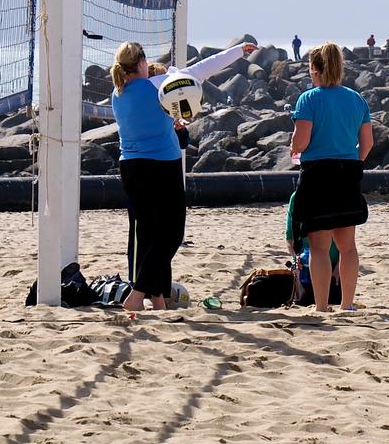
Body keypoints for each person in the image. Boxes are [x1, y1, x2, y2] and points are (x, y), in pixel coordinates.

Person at [111, 40, 255, 312]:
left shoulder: (116, 93)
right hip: (160, 167)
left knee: (150, 234)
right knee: (171, 235)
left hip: (129, 167)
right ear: (141, 63)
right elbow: (202, 70)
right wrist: (237, 51)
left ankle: (157, 298)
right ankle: (137, 294)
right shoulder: (156, 85)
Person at [289, 43, 374, 312]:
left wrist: (293, 145)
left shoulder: (309, 99)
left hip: (318, 174)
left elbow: (301, 142)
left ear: (314, 69)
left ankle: (322, 306)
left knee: (319, 247)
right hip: (347, 173)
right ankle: (347, 304)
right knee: (347, 245)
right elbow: (368, 143)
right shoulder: (356, 99)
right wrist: (354, 163)